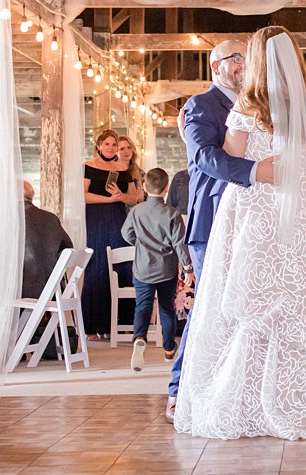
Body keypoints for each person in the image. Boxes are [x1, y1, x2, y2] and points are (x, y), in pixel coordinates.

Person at [174, 26, 306, 440]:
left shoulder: (247, 105)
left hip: (256, 213)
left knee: (248, 306)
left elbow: (234, 163)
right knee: (296, 307)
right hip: (303, 213)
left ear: (255, 58)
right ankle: (297, 399)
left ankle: (246, 401)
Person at [167, 39, 275, 420]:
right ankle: (180, 390)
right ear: (216, 67)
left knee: (245, 308)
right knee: (209, 307)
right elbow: (204, 156)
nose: (244, 63)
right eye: (236, 58)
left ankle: (233, 391)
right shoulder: (201, 105)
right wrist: (252, 172)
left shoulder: (261, 106)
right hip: (213, 219)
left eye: (248, 57)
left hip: (252, 220)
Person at [121, 167, 192, 371]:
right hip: (166, 269)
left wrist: (139, 243)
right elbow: (179, 243)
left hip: (142, 267)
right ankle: (169, 349)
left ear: (144, 186)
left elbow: (126, 233)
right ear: (166, 188)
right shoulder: (172, 213)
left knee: (142, 306)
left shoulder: (136, 211)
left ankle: (139, 338)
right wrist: (187, 268)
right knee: (166, 309)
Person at [81, 130, 140, 337]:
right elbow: (83, 195)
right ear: (98, 145)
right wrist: (108, 199)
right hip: (95, 219)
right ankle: (92, 325)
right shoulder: (88, 166)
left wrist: (120, 195)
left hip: (117, 219)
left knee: (121, 265)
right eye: (107, 144)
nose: (111, 148)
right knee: (96, 266)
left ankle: (120, 324)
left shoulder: (123, 168)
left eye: (114, 144)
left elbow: (134, 198)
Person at [21, 181, 74, 299]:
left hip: (24, 290)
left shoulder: (14, 219)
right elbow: (68, 248)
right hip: (53, 291)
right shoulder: (51, 218)